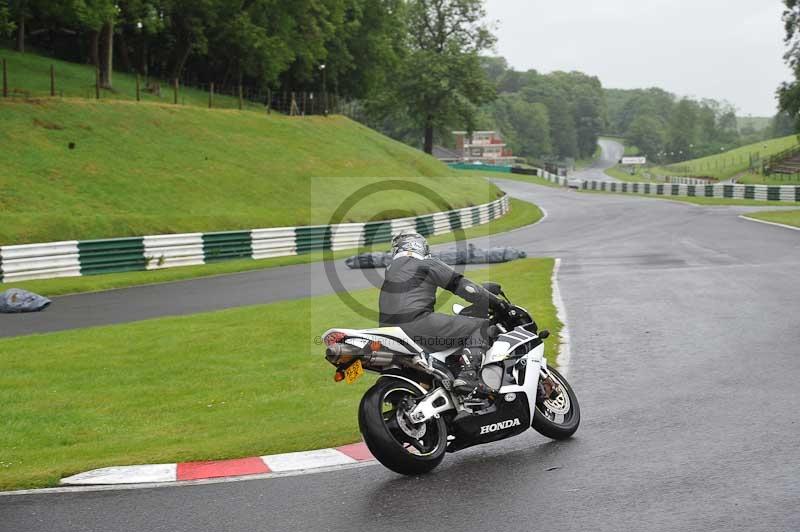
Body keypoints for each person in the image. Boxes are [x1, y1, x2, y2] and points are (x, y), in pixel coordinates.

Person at [378, 231, 508, 397]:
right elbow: (464, 287)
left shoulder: (390, 274)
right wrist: (498, 303)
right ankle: (468, 375)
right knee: (482, 327)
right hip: (416, 324)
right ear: (420, 246)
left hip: (388, 333)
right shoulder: (426, 263)